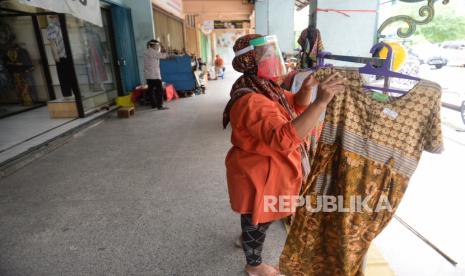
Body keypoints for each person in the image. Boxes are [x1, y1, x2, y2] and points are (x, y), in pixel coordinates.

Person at [223, 34, 345, 276]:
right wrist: (320, 104)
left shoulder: (265, 88)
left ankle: (247, 236)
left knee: (256, 215)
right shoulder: (252, 100)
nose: (276, 61)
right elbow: (284, 138)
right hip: (257, 174)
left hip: (266, 170)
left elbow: (292, 107)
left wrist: (308, 90)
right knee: (259, 215)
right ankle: (254, 265)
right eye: (269, 56)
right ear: (252, 62)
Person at [143, 39, 169, 110]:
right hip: (155, 75)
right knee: (159, 90)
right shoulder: (153, 52)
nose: (157, 47)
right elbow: (164, 56)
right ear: (153, 45)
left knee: (151, 90)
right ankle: (160, 106)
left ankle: (153, 105)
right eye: (157, 45)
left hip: (148, 75)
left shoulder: (147, 51)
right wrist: (163, 47)